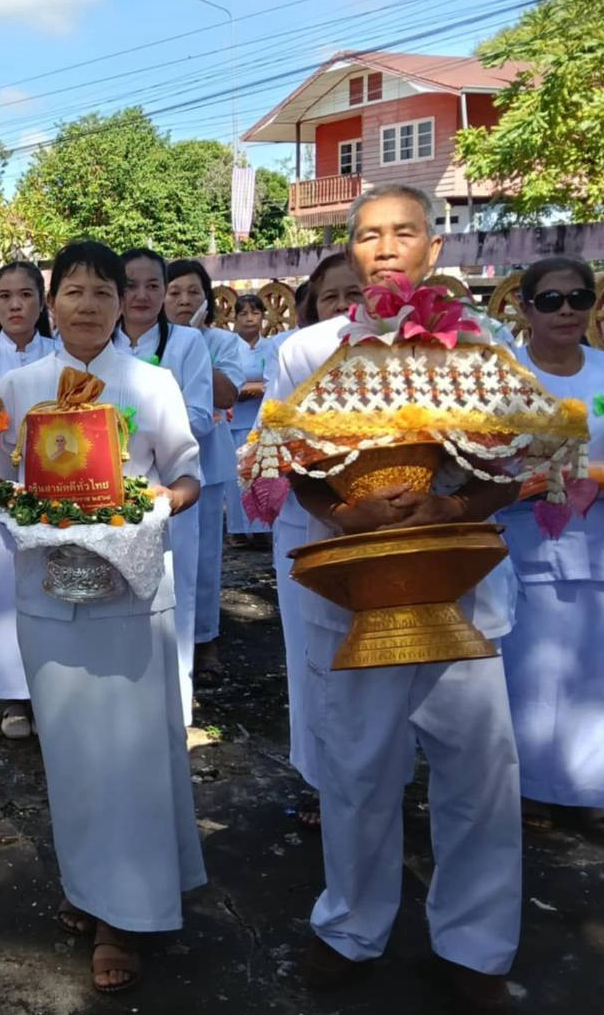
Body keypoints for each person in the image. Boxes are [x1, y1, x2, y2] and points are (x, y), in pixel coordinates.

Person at [263, 184, 523, 1009]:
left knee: (475, 769)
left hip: (459, 585)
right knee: (358, 769)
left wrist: (453, 505)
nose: (383, 248)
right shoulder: (307, 352)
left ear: (433, 249)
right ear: (349, 248)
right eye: (368, 235)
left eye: (402, 232)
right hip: (355, 587)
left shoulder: (482, 343)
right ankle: (349, 926)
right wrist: (347, 514)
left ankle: (475, 944)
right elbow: (286, 465)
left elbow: (525, 464)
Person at [0, 240, 204, 994]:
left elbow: (185, 476)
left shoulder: (153, 383)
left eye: (100, 291)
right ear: (51, 302)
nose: (85, 304)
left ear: (123, 302)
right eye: (71, 290)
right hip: (46, 593)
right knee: (73, 757)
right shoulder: (17, 388)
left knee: (133, 756)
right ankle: (89, 887)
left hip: (133, 595)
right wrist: (30, 515)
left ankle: (126, 916)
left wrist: (142, 511)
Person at [499, 257, 604, 836]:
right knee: (531, 674)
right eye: (550, 300)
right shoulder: (506, 376)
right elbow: (487, 464)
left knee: (599, 672)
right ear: (525, 308)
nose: (567, 309)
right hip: (527, 544)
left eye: (579, 297)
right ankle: (530, 790)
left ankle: (592, 789)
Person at [269, 254, 362, 830]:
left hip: (402, 533)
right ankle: (325, 783)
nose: (344, 307)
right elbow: (279, 450)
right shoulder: (301, 353)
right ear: (313, 306)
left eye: (357, 293)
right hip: (311, 529)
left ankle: (386, 779)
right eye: (332, 298)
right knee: (317, 665)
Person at [116, 248, 215, 721]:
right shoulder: (101, 341)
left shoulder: (186, 342)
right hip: (107, 487)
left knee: (175, 593)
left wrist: (135, 431)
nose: (141, 295)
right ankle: (123, 700)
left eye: (152, 285)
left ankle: (175, 701)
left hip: (171, 486)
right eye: (130, 285)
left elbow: (200, 416)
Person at [0, 261, 57, 739]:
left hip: (52, 491)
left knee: (49, 587)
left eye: (25, 295)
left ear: (43, 303)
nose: (15, 305)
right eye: (4, 296)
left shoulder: (62, 355)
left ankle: (53, 691)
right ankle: (13, 697)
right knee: (2, 593)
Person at [164, 259, 246, 686]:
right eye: (174, 292)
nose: (183, 300)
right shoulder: (152, 339)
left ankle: (205, 637)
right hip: (161, 466)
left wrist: (194, 345)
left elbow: (229, 392)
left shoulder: (221, 343)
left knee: (206, 559)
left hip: (208, 465)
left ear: (207, 299)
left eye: (192, 293)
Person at [226, 294, 275, 544]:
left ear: (263, 317)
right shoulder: (229, 346)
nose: (249, 318)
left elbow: (273, 381)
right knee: (236, 475)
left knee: (260, 472)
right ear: (236, 318)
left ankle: (261, 528)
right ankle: (237, 530)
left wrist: (251, 387)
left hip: (262, 417)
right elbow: (230, 383)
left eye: (255, 313)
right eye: (243, 313)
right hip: (234, 419)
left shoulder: (271, 346)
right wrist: (251, 388)